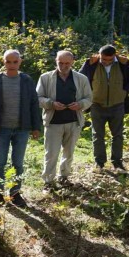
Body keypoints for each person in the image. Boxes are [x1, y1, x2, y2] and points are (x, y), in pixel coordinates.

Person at [0, 50, 42, 208]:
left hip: (22, 129)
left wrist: (36, 127)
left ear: (20, 62)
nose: (11, 65)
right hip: (0, 129)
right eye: (8, 62)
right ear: (3, 62)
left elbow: (34, 104)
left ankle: (15, 194)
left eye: (15, 62)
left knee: (18, 163)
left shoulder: (26, 80)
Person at [36, 50, 92, 191]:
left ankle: (64, 177)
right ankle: (48, 182)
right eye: (60, 62)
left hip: (74, 122)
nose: (64, 65)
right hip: (53, 122)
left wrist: (80, 105)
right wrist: (51, 104)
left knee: (69, 153)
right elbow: (37, 98)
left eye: (67, 63)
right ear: (56, 61)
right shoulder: (45, 78)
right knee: (51, 153)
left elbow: (89, 99)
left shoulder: (81, 78)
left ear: (73, 62)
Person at [79, 44, 129, 172]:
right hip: (97, 105)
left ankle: (117, 163)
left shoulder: (123, 63)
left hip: (118, 105)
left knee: (118, 135)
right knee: (97, 135)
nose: (106, 62)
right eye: (104, 59)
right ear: (100, 55)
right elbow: (80, 77)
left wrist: (124, 92)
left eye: (110, 60)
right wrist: (89, 64)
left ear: (115, 56)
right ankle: (99, 163)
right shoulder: (92, 63)